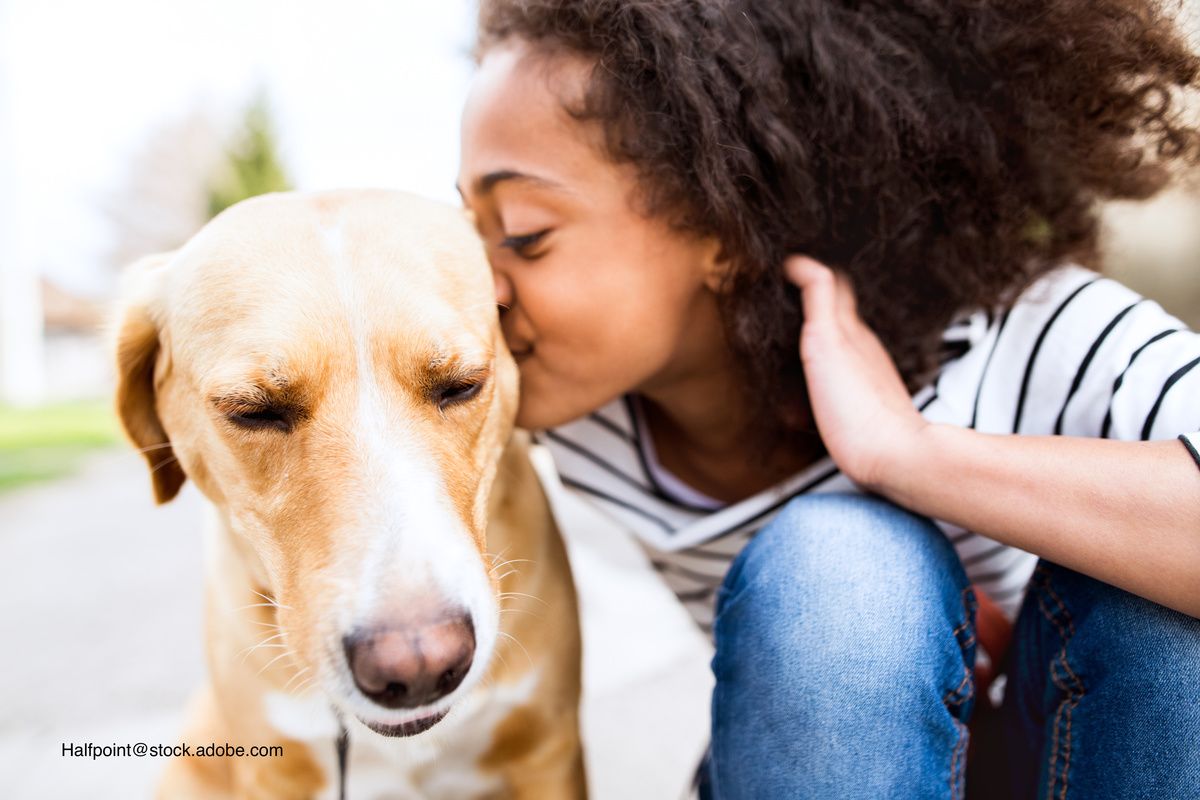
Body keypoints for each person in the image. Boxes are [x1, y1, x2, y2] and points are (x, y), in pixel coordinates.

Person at [455, 1, 1200, 797]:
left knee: (1153, 607)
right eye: (470, 227)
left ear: (723, 226)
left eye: (526, 234)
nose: (482, 283)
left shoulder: (1038, 338)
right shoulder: (581, 413)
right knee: (837, 568)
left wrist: (907, 455)